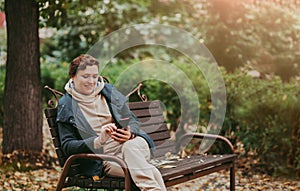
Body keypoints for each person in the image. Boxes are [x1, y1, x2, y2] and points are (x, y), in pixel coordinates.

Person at [56, 54, 166, 191]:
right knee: (150, 172)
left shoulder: (108, 91)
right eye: (85, 76)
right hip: (105, 159)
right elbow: (67, 146)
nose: (91, 81)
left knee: (130, 147)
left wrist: (130, 132)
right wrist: (98, 140)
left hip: (134, 146)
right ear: (73, 76)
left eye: (95, 76)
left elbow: (133, 120)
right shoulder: (66, 105)